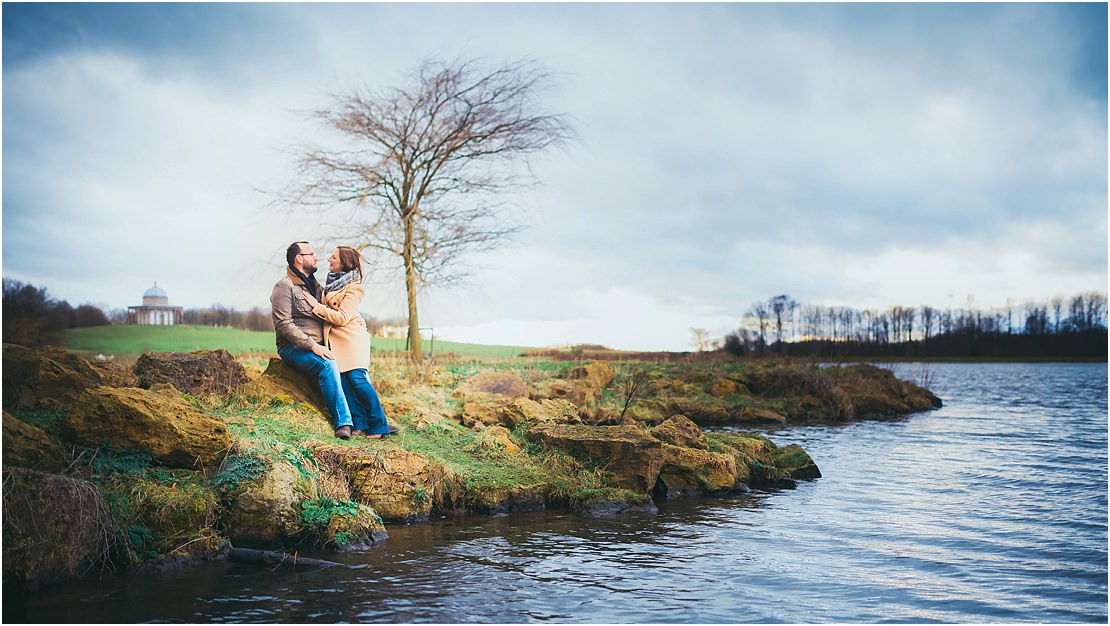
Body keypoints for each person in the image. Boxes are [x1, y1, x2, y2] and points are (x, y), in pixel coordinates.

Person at [299, 246, 393, 439]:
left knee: (358, 380)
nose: (329, 260)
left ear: (344, 262)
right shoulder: (331, 285)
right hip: (335, 342)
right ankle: (359, 423)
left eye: (333, 257)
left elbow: (342, 317)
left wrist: (316, 306)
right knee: (344, 383)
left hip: (352, 340)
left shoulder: (354, 288)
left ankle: (379, 425)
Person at [270, 242, 355, 439]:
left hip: (321, 345)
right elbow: (283, 324)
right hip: (293, 347)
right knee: (328, 364)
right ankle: (343, 423)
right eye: (312, 254)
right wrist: (313, 346)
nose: (317, 258)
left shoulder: (317, 287)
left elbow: (335, 310)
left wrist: (354, 318)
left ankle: (373, 420)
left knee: (353, 367)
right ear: (299, 258)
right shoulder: (284, 286)